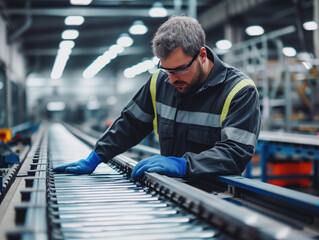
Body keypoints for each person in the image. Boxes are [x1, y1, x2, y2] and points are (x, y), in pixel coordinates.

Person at [54, 16, 261, 181]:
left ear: (202, 56)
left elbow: (235, 153)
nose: (172, 79)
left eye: (180, 69)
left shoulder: (239, 91)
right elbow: (131, 124)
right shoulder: (160, 81)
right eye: (166, 69)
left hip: (217, 195)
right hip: (171, 190)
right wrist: (96, 157)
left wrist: (184, 165)